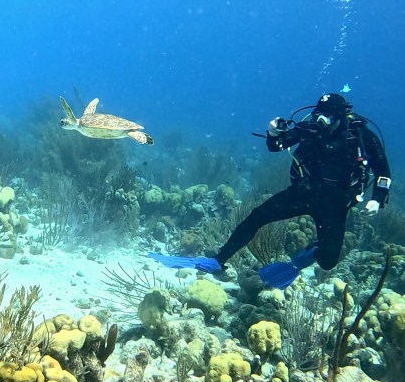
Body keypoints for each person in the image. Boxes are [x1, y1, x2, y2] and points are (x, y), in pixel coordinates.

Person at [149, 93, 391, 289]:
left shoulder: (361, 137)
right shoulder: (309, 129)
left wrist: (377, 199)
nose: (321, 122)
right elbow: (276, 147)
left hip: (335, 204)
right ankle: (218, 260)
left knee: (328, 262)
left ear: (341, 118)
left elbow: (383, 172)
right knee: (257, 216)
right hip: (303, 193)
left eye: (327, 117)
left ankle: (312, 251)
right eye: (319, 115)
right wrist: (273, 132)